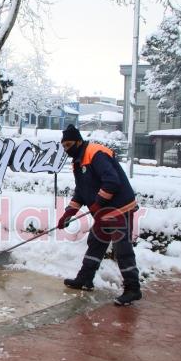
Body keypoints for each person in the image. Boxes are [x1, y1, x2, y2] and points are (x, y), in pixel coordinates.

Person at [57, 124, 142, 306]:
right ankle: (85, 279)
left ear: (79, 141)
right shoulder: (78, 162)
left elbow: (112, 182)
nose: (66, 149)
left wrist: (97, 204)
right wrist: (68, 214)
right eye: (64, 146)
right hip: (103, 211)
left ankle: (133, 289)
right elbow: (81, 191)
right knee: (96, 243)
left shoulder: (95, 153)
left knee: (122, 249)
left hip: (119, 208)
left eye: (69, 144)